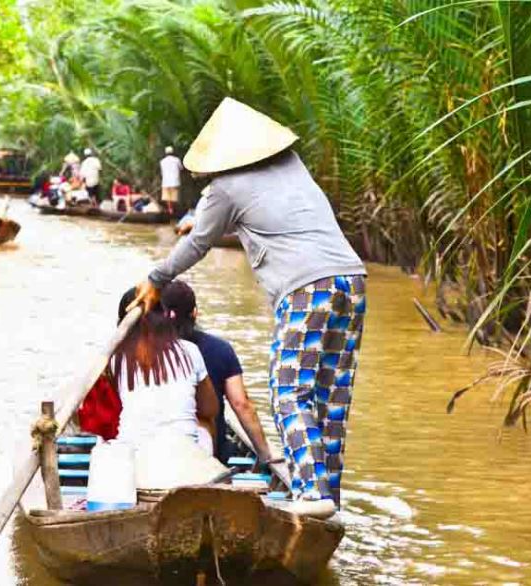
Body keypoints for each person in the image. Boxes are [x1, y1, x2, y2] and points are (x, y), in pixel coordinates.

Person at [130, 98, 367, 512]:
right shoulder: (293, 164)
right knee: (331, 396)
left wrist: (155, 278)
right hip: (351, 280)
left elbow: (199, 244)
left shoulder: (225, 188)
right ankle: (329, 497)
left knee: (289, 390)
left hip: (305, 287)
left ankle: (311, 494)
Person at [161, 280, 275, 467]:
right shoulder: (221, 349)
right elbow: (241, 404)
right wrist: (265, 454)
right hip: (210, 449)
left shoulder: (146, 352)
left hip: (159, 446)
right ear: (195, 312)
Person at [107, 288, 222, 458]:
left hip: (134, 452)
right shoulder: (190, 350)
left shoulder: (114, 358)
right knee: (205, 423)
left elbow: (107, 413)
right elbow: (210, 409)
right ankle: (210, 468)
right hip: (183, 454)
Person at [160, 145, 182, 215]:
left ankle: (170, 210)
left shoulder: (162, 161)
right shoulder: (177, 160)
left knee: (167, 197)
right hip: (175, 181)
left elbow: (162, 172)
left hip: (165, 181)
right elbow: (181, 168)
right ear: (172, 152)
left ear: (166, 153)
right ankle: (174, 211)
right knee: (174, 197)